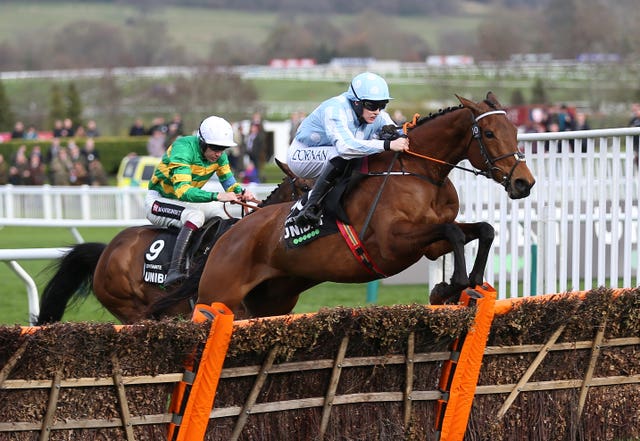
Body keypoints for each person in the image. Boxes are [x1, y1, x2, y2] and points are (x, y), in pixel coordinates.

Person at [145, 115, 259, 285]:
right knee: (195, 216)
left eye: (223, 148)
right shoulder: (182, 148)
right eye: (215, 148)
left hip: (182, 201)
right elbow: (183, 191)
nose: (219, 153)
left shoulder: (220, 157)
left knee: (222, 215)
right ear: (202, 142)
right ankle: (174, 270)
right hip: (159, 201)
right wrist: (217, 196)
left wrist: (241, 192)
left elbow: (228, 182)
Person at [287, 71, 409, 228]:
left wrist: (397, 134)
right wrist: (386, 145)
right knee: (344, 155)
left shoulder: (377, 114)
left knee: (362, 154)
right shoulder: (335, 109)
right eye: (372, 105)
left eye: (382, 105)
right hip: (301, 156)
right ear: (356, 102)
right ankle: (309, 206)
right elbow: (346, 148)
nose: (377, 111)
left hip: (331, 152)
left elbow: (400, 134)